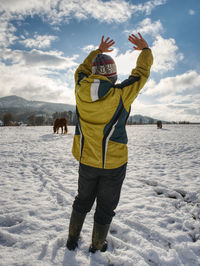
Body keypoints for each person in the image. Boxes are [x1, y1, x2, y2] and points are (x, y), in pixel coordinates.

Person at [66, 33, 153, 253]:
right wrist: (145, 51)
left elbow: (81, 71)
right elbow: (141, 74)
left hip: (86, 160)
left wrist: (97, 52)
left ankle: (72, 239)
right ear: (113, 75)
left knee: (82, 201)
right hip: (113, 164)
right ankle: (97, 245)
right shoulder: (121, 94)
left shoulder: (79, 88)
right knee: (105, 208)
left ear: (93, 73)